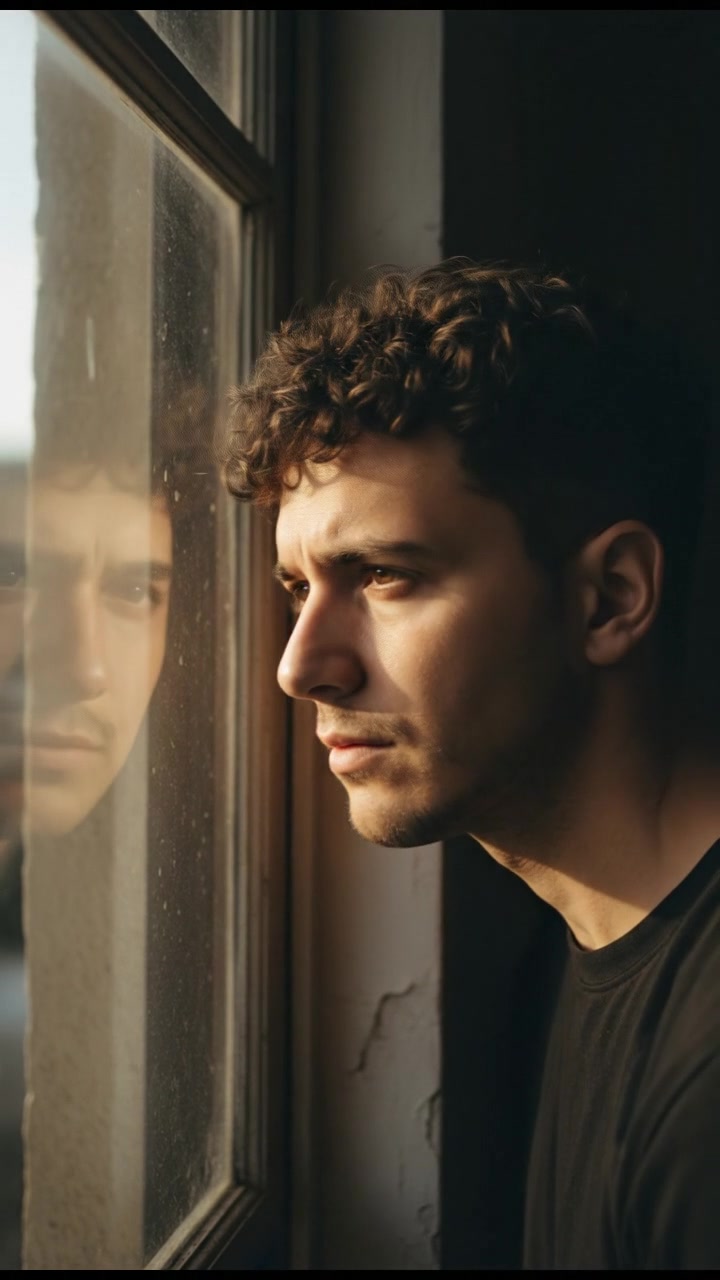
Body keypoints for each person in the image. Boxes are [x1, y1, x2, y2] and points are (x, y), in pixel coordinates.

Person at [221, 258, 720, 1270]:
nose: (300, 664)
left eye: (386, 575)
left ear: (611, 598)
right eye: (296, 586)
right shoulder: (568, 949)